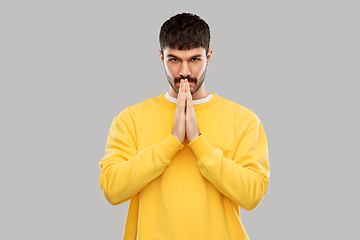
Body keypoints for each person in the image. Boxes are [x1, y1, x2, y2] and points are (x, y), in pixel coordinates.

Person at [99, 12, 270, 240]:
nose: (185, 71)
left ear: (209, 57)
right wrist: (171, 143)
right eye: (174, 59)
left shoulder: (244, 119)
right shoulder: (129, 118)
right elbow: (112, 190)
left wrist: (199, 143)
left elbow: (252, 196)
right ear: (161, 58)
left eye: (194, 59)